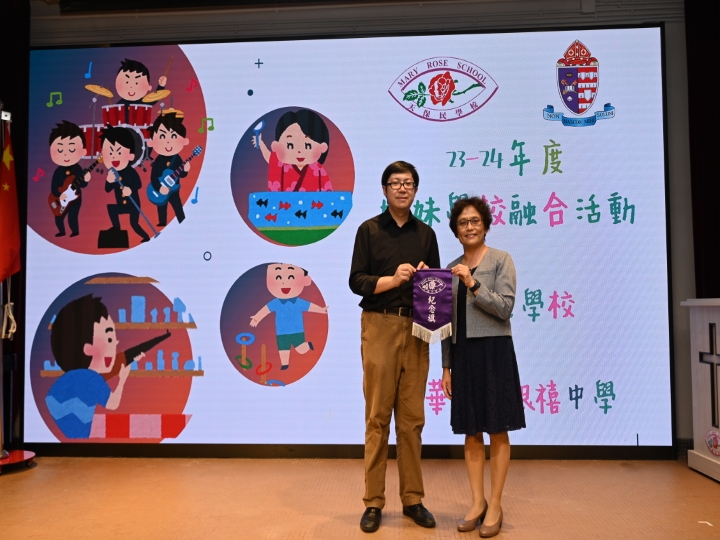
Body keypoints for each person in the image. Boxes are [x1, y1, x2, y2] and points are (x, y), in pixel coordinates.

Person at [349, 161, 440, 533]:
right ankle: (373, 502)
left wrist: (427, 281)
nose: (402, 188)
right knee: (377, 418)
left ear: (416, 190)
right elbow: (357, 281)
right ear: (385, 189)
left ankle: (413, 499)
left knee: (412, 420)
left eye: (409, 183)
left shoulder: (427, 233)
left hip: (416, 329)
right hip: (380, 325)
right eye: (395, 183)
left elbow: (436, 291)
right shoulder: (369, 230)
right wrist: (394, 279)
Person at [441, 196, 526, 538]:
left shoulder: (501, 260)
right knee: (471, 430)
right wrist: (446, 367)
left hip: (494, 351)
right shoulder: (450, 268)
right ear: (456, 231)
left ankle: (495, 504)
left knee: (497, 428)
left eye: (475, 221)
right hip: (462, 354)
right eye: (463, 223)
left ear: (486, 226)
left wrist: (473, 284)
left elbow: (505, 308)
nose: (469, 227)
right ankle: (477, 503)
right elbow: (445, 324)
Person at [45, 295, 140, 439]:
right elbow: (113, 404)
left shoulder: (70, 378)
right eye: (109, 339)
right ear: (87, 348)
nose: (115, 343)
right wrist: (122, 379)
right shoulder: (91, 378)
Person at [250, 263, 329, 370]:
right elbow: (265, 310)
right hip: (281, 333)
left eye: (291, 277)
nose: (284, 282)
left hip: (297, 331)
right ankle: (285, 364)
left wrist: (321, 310)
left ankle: (308, 345)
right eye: (278, 278)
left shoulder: (298, 302)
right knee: (283, 349)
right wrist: (256, 318)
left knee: (301, 349)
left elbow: (310, 306)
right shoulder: (275, 303)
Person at [252, 109, 333, 192]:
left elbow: (327, 192)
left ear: (322, 147)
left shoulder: (318, 170)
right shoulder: (281, 165)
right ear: (277, 146)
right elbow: (271, 158)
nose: (299, 151)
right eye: (290, 145)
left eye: (307, 145)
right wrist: (260, 143)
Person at [101, 125, 150, 242]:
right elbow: (107, 189)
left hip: (133, 205)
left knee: (134, 224)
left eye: (119, 152)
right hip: (122, 205)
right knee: (112, 209)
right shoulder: (113, 173)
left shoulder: (130, 171)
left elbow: (138, 184)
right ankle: (116, 228)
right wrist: (109, 181)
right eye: (110, 153)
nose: (114, 156)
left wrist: (130, 189)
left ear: (130, 156)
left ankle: (146, 237)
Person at [146, 112, 190, 227]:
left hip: (174, 190)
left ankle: (183, 224)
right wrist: (160, 188)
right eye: (162, 136)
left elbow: (182, 175)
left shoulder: (177, 158)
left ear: (183, 140)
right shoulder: (158, 160)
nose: (168, 141)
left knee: (178, 207)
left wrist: (186, 170)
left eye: (174, 136)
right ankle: (162, 224)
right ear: (152, 141)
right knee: (161, 207)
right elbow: (153, 177)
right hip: (160, 190)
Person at [48, 121, 91, 237]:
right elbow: (53, 187)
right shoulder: (58, 171)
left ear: (83, 151)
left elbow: (82, 185)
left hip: (76, 198)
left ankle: (75, 232)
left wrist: (86, 180)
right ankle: (61, 231)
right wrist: (59, 195)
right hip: (59, 199)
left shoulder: (78, 169)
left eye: (72, 150)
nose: (66, 154)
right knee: (58, 217)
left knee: (73, 216)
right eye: (60, 150)